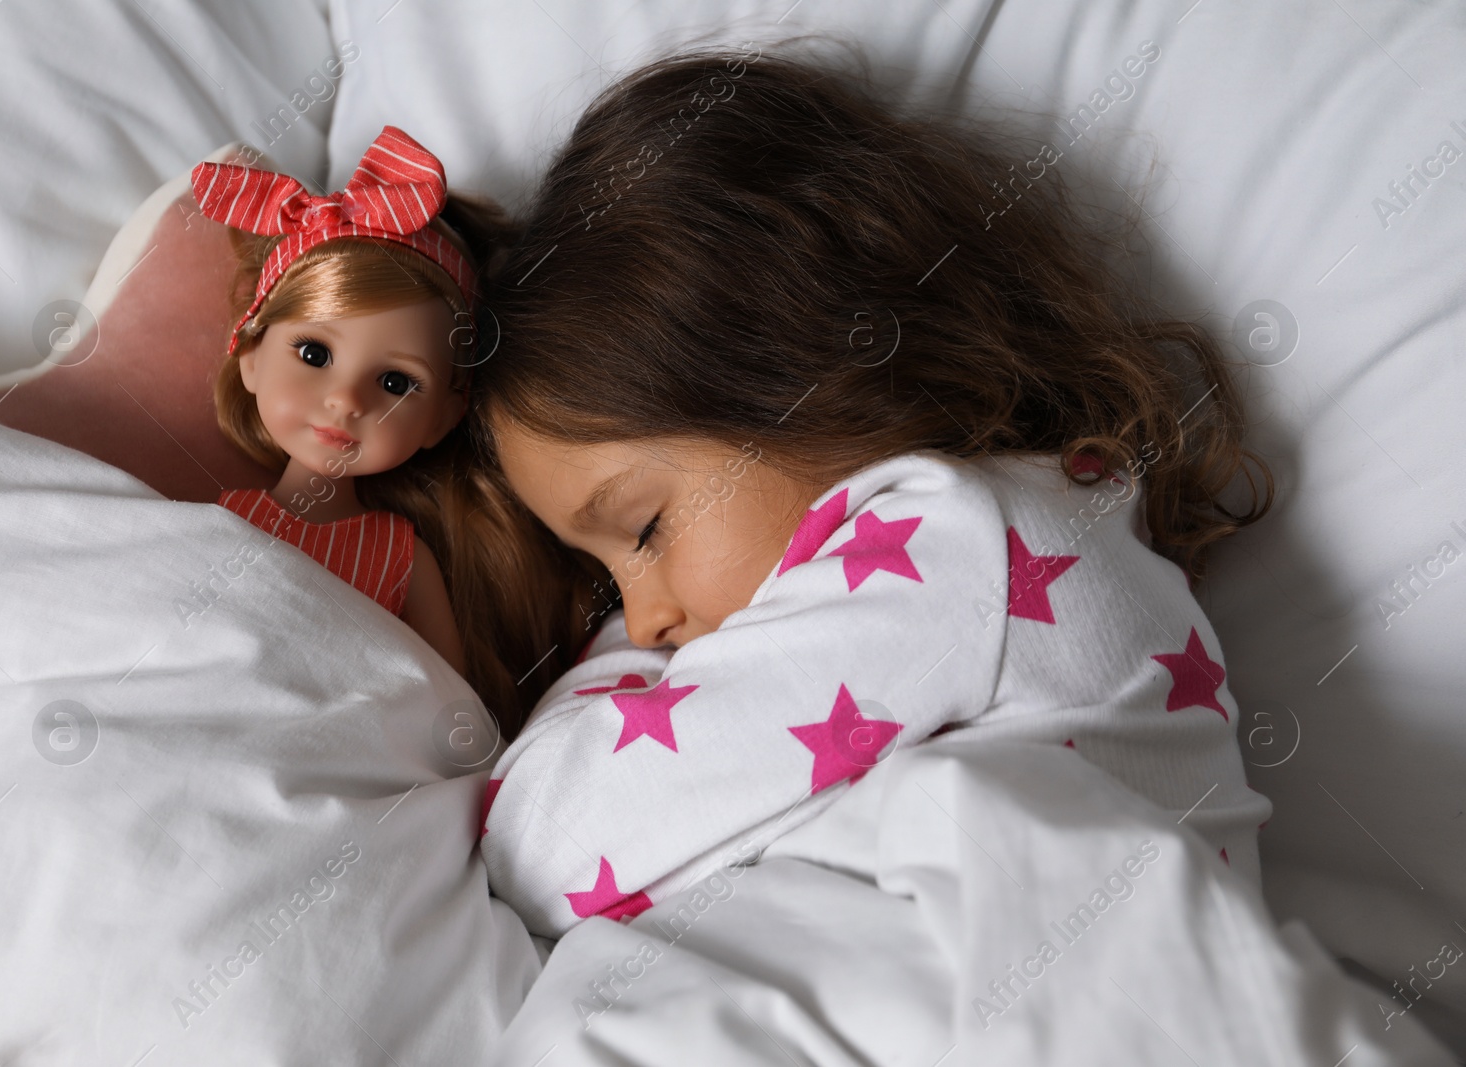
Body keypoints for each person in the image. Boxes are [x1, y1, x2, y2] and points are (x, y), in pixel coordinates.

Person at [471, 46, 1277, 937]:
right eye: (608, 586)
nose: (647, 617)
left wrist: (617, 653)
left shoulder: (957, 544)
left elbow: (543, 847)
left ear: (801, 374)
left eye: (647, 528)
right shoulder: (1036, 517)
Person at [195, 126, 599, 730]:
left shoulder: (398, 554)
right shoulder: (225, 519)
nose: (345, 401)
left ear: (443, 418)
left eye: (395, 383)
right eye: (312, 354)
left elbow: (446, 699)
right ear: (250, 356)